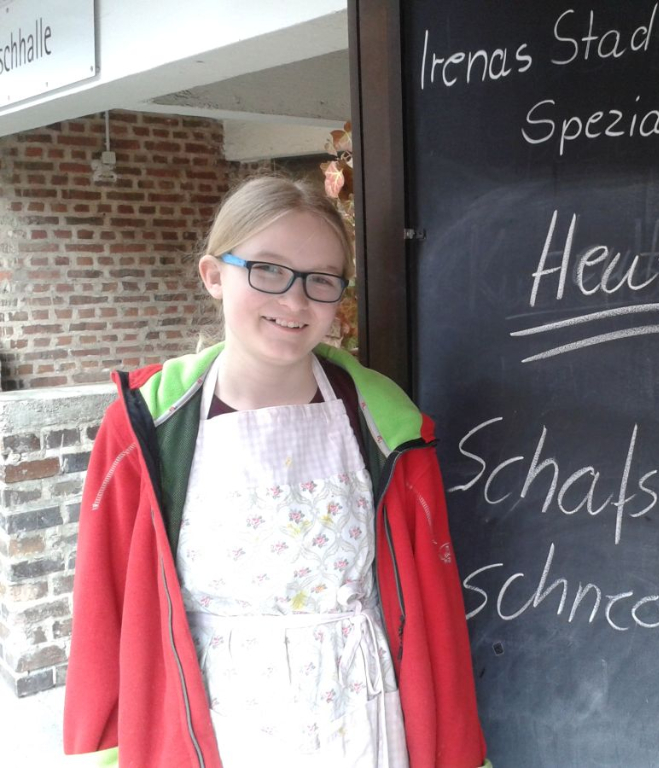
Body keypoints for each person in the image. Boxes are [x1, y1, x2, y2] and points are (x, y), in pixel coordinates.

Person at [63, 176, 489, 768]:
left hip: (360, 715)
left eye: (321, 279)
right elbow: (103, 604)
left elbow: (433, 612)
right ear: (214, 276)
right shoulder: (147, 427)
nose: (295, 301)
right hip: (213, 722)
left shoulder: (386, 424)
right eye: (267, 270)